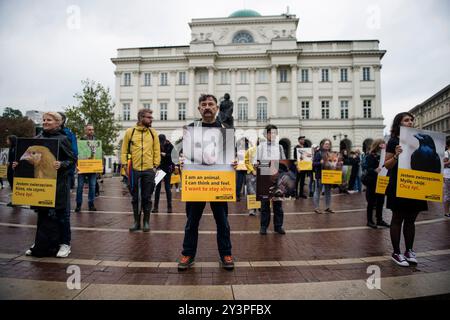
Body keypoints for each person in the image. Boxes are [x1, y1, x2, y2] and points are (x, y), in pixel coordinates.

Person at [177, 94, 235, 271]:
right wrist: (181, 160)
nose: (207, 107)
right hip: (197, 183)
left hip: (219, 183)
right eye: (204, 104)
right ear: (199, 109)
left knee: (222, 221)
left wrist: (234, 162)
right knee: (192, 222)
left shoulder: (226, 128)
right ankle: (188, 254)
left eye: (211, 104)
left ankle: (226, 253)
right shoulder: (191, 129)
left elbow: (231, 154)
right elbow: (184, 154)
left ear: (217, 108)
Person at [15, 112, 76, 257]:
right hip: (40, 185)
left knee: (61, 215)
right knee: (42, 214)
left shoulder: (63, 139)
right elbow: (24, 159)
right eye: (43, 120)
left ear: (58, 122)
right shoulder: (37, 138)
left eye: (49, 120)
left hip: (59, 183)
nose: (45, 122)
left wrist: (61, 164)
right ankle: (40, 242)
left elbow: (72, 159)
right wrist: (17, 164)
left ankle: (65, 243)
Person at [384, 112, 428, 267]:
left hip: (416, 183)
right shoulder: (393, 141)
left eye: (412, 120)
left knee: (411, 219)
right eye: (407, 120)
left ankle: (409, 250)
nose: (411, 122)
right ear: (399, 123)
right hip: (398, 182)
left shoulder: (418, 140)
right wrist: (396, 155)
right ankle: (396, 252)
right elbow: (387, 164)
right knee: (398, 218)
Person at [121, 108, 160, 232]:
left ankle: (146, 222)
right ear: (141, 118)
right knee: (135, 198)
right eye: (148, 117)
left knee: (147, 197)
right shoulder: (130, 132)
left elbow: (156, 150)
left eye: (151, 117)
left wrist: (155, 165)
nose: (151, 119)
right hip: (134, 170)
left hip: (149, 170)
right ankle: (136, 222)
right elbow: (124, 150)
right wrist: (124, 165)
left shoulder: (153, 133)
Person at [257, 124, 286, 235]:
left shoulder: (279, 147)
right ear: (266, 134)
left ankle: (278, 226)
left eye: (274, 132)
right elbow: (257, 161)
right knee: (264, 204)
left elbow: (283, 161)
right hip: (264, 176)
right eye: (269, 132)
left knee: (278, 203)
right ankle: (263, 226)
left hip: (277, 176)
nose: (272, 135)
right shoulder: (261, 147)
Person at [364, 139, 390, 229]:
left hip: (382, 181)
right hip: (372, 181)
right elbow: (366, 167)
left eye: (384, 143)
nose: (384, 145)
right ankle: (369, 220)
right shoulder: (371, 156)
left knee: (381, 201)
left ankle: (379, 219)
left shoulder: (384, 155)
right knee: (371, 202)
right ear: (378, 145)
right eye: (382, 144)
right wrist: (374, 170)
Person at [313, 139, 341, 214]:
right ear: (322, 144)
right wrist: (320, 162)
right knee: (318, 192)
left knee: (328, 192)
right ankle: (316, 208)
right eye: (326, 144)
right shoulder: (318, 153)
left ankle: (327, 207)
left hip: (329, 176)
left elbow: (334, 164)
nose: (327, 145)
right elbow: (313, 164)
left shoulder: (332, 153)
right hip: (319, 175)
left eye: (328, 144)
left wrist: (339, 163)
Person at [75, 124, 98, 212]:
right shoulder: (81, 140)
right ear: (85, 130)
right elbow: (78, 154)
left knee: (92, 186)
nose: (91, 131)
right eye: (89, 130)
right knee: (80, 186)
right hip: (83, 167)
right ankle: (78, 205)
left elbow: (99, 154)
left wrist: (100, 166)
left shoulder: (96, 141)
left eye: (92, 129)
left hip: (92, 168)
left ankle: (91, 204)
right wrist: (77, 165)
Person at [153, 134, 174, 213]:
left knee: (167, 188)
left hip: (167, 168)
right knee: (157, 188)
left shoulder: (170, 146)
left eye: (162, 142)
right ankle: (155, 207)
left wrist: (166, 154)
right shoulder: (157, 145)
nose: (161, 144)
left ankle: (169, 207)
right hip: (160, 168)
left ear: (165, 140)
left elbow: (173, 157)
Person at [58, 112, 78, 189]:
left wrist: (69, 166)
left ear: (62, 120)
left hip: (65, 170)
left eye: (56, 118)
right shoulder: (45, 133)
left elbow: (74, 152)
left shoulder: (68, 134)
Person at [6, 135, 17, 206]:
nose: (6, 141)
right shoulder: (11, 148)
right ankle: (14, 200)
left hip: (14, 169)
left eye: (8, 140)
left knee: (14, 185)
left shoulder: (16, 148)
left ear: (11, 140)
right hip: (9, 168)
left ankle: (15, 201)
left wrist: (12, 162)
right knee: (11, 183)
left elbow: (17, 158)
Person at [443, 137, 450, 217]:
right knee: (447, 194)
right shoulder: (446, 153)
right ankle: (446, 212)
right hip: (448, 174)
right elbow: (444, 164)